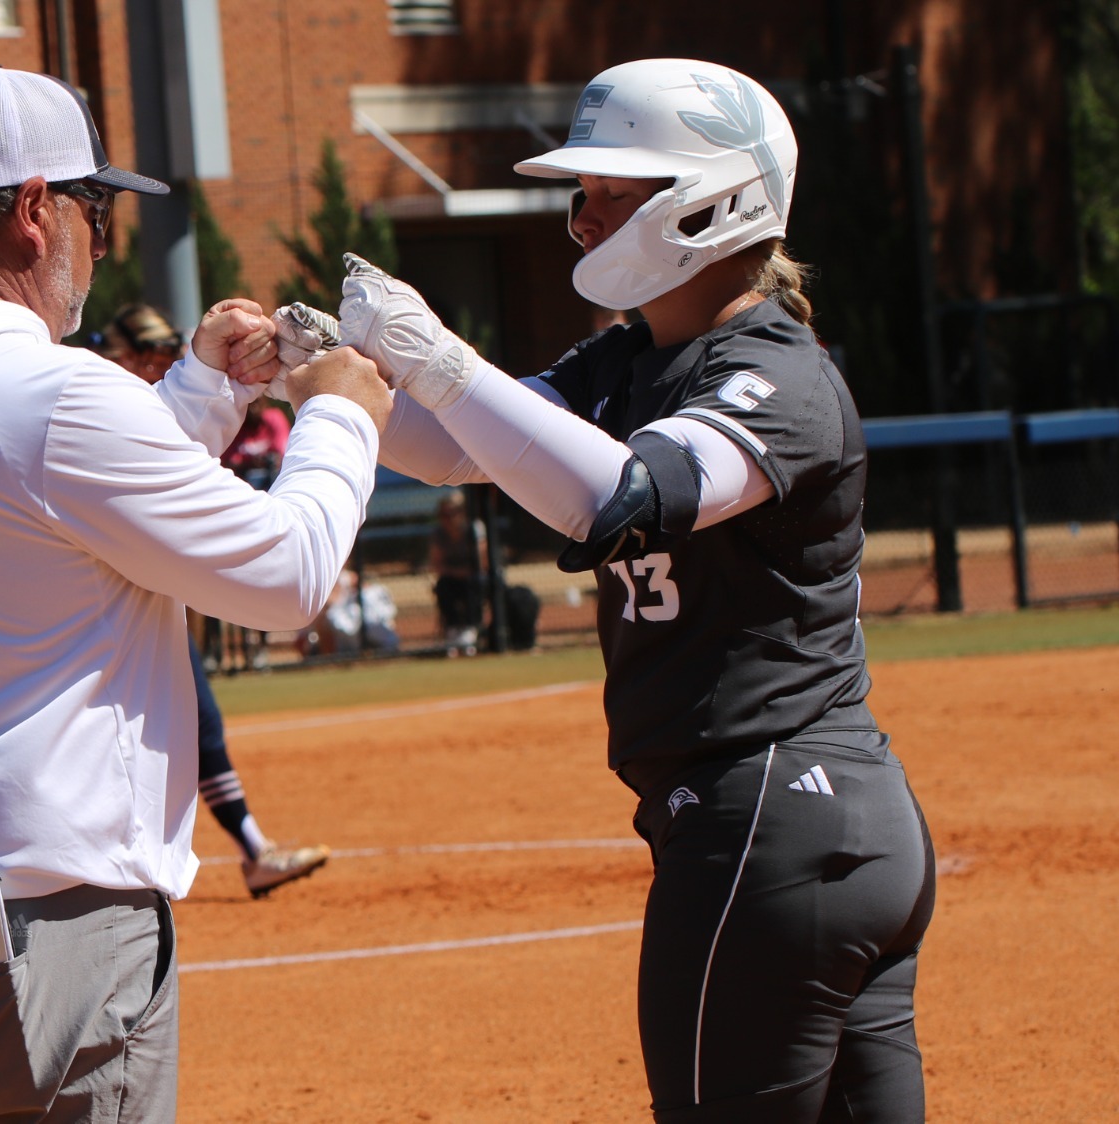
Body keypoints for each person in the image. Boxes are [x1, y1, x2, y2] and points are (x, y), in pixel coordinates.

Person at [322, 58, 936, 1122]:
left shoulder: (773, 368)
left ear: (714, 198)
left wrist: (437, 353)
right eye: (582, 190)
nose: (582, 213)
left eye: (617, 189)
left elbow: (619, 496)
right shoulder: (629, 354)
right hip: (789, 823)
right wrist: (328, 365)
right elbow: (454, 445)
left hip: (764, 813)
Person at [0, 67, 388, 1122]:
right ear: (33, 210)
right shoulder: (53, 394)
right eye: (92, 206)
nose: (100, 238)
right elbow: (286, 576)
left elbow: (40, 506)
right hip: (47, 930)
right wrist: (338, 414)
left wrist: (202, 389)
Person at [97, 304, 333, 898]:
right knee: (177, 718)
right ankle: (250, 851)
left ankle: (254, 849)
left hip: (154, 584)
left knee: (198, 715)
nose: (152, 365)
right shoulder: (96, 393)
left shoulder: (136, 398)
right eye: (143, 355)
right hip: (117, 592)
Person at [428, 489, 487, 656]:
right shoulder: (438, 533)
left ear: (461, 512)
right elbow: (437, 565)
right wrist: (456, 572)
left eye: (451, 513)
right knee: (443, 586)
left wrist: (466, 572)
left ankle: (470, 630)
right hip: (452, 577)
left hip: (473, 576)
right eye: (443, 514)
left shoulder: (474, 529)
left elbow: (483, 562)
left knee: (474, 584)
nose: (447, 518)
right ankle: (453, 631)